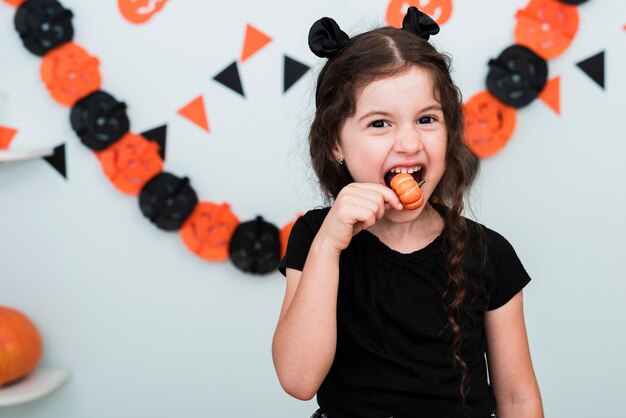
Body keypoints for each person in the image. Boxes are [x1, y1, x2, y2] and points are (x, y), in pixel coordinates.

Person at [272, 7, 543, 418]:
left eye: (426, 119)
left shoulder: (490, 252)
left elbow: (518, 399)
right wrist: (329, 244)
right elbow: (298, 379)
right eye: (379, 124)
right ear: (335, 145)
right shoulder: (316, 236)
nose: (409, 143)